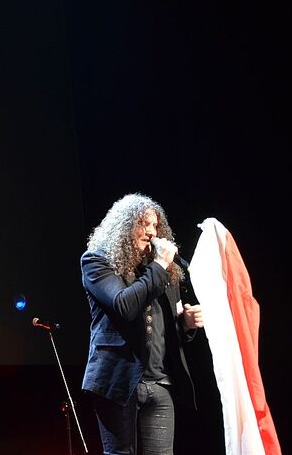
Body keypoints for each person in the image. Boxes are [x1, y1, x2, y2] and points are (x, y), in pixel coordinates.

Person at [80, 193, 204, 454]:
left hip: (160, 383)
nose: (151, 232)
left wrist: (187, 325)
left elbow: (165, 331)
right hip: (118, 381)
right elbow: (125, 306)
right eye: (142, 223)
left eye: (154, 225)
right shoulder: (98, 262)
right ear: (124, 227)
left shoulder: (163, 272)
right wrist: (159, 264)